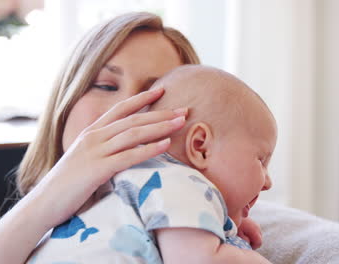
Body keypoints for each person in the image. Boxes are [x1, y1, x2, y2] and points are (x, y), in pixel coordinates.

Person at [0, 12, 263, 264]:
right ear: (66, 102)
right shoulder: (44, 231)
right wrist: (51, 194)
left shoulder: (192, 214)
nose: (124, 109)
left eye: (154, 96)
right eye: (105, 85)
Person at [26, 65, 276, 263]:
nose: (267, 181)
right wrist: (247, 257)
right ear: (200, 146)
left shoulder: (129, 179)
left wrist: (225, 226)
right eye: (261, 160)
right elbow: (197, 260)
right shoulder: (183, 183)